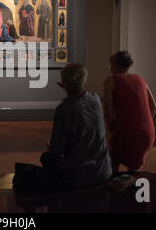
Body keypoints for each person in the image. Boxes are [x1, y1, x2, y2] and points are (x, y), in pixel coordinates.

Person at [14, 63, 112, 191]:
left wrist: (50, 147)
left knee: (46, 158)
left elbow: (56, 151)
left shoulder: (64, 109)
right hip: (103, 171)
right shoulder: (96, 99)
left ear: (62, 84)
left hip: (79, 177)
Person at [104, 51, 156, 173]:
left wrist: (111, 131)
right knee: (134, 172)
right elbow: (154, 106)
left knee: (113, 165)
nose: (110, 68)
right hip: (147, 134)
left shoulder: (110, 81)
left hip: (126, 133)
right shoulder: (140, 79)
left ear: (115, 65)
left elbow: (108, 111)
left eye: (110, 65)